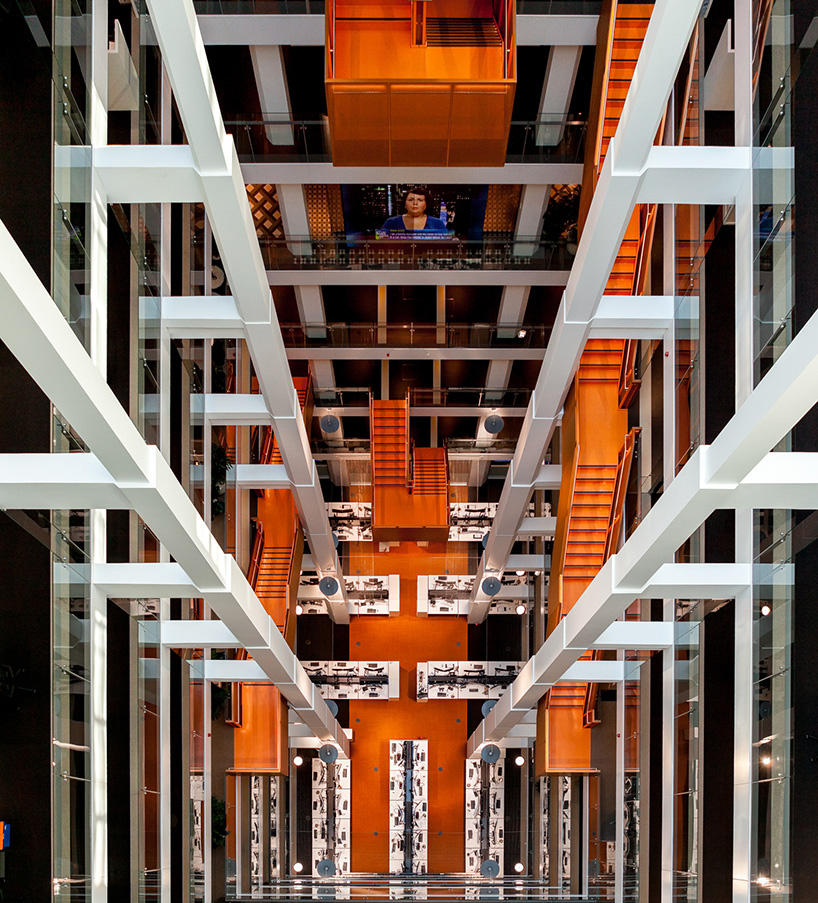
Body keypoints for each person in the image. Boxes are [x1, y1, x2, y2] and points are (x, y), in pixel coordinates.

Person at [382, 186, 448, 232]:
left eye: (420, 200)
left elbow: (447, 244)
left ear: (426, 205)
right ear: (405, 204)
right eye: (411, 200)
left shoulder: (437, 223)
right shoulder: (391, 222)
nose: (415, 203)